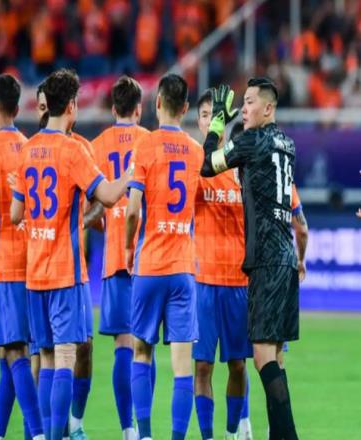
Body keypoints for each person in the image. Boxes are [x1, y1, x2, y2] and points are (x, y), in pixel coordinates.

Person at [10, 68, 130, 440]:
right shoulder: (73, 150)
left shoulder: (27, 148)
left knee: (45, 358)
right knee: (64, 357)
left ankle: (44, 434)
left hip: (35, 273)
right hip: (65, 271)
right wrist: (132, 173)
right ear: (73, 106)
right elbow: (107, 196)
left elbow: (15, 214)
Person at [200, 78, 303, 439]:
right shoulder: (287, 143)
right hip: (286, 255)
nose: (243, 109)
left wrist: (217, 125)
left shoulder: (251, 140)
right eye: (242, 103)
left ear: (268, 108)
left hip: (266, 260)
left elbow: (208, 165)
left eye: (249, 102)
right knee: (274, 357)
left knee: (261, 357)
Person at [125, 73, 203, 440]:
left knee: (141, 352)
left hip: (150, 264)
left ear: (157, 103)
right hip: (183, 267)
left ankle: (144, 435)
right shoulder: (196, 151)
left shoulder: (144, 145)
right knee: (183, 368)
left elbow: (132, 210)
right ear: (186, 108)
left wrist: (129, 247)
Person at [0, 74, 44, 440]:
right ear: (18, 109)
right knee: (10, 350)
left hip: (4, 261)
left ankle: (37, 433)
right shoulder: (29, 146)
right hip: (31, 258)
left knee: (15, 351)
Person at [36, 81, 96, 440]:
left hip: (71, 268)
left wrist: (82, 222)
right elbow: (107, 194)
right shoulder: (49, 149)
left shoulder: (81, 149)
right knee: (56, 355)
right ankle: (49, 431)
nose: (42, 111)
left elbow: (96, 201)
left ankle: (71, 424)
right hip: (58, 271)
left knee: (76, 349)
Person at [91, 75, 150, 440]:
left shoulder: (96, 146)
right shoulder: (150, 141)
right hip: (150, 256)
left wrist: (102, 223)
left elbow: (92, 203)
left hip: (115, 256)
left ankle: (127, 428)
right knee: (145, 347)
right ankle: (145, 429)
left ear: (113, 109)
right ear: (139, 109)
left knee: (122, 346)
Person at [193, 92, 253, 440]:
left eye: (213, 115)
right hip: (203, 281)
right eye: (204, 115)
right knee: (202, 366)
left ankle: (232, 432)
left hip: (238, 282)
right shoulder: (194, 166)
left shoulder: (240, 163)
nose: (208, 120)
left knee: (238, 365)